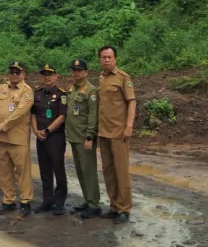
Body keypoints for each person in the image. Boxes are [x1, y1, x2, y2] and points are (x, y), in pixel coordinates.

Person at [96, 46, 136, 224]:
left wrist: (129, 126)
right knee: (108, 171)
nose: (106, 60)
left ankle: (124, 209)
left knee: (121, 172)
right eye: (103, 57)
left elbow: (132, 102)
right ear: (100, 59)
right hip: (103, 132)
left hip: (118, 132)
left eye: (109, 57)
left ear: (115, 59)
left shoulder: (123, 78)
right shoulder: (101, 78)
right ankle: (114, 206)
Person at [0, 61, 34, 217]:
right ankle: (8, 201)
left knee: (22, 172)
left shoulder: (27, 91)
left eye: (17, 72)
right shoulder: (2, 88)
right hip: (2, 139)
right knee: (5, 172)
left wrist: (3, 125)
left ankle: (25, 202)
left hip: (18, 139)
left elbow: (20, 113)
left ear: (23, 74)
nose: (14, 74)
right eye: (12, 72)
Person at [64, 58, 101, 218]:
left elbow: (93, 115)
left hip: (84, 138)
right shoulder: (72, 89)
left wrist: (89, 136)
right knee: (80, 171)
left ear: (86, 72)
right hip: (74, 137)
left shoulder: (91, 91)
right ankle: (87, 200)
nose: (76, 73)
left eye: (79, 70)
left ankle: (94, 205)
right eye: (74, 70)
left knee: (89, 171)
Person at [30, 64, 68, 214]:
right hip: (40, 136)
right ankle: (47, 200)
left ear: (56, 76)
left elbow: (62, 116)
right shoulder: (37, 93)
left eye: (50, 74)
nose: (47, 77)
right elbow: (33, 114)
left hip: (55, 137)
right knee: (44, 169)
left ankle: (59, 201)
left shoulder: (61, 94)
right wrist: (36, 131)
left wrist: (47, 130)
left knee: (58, 168)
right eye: (45, 74)